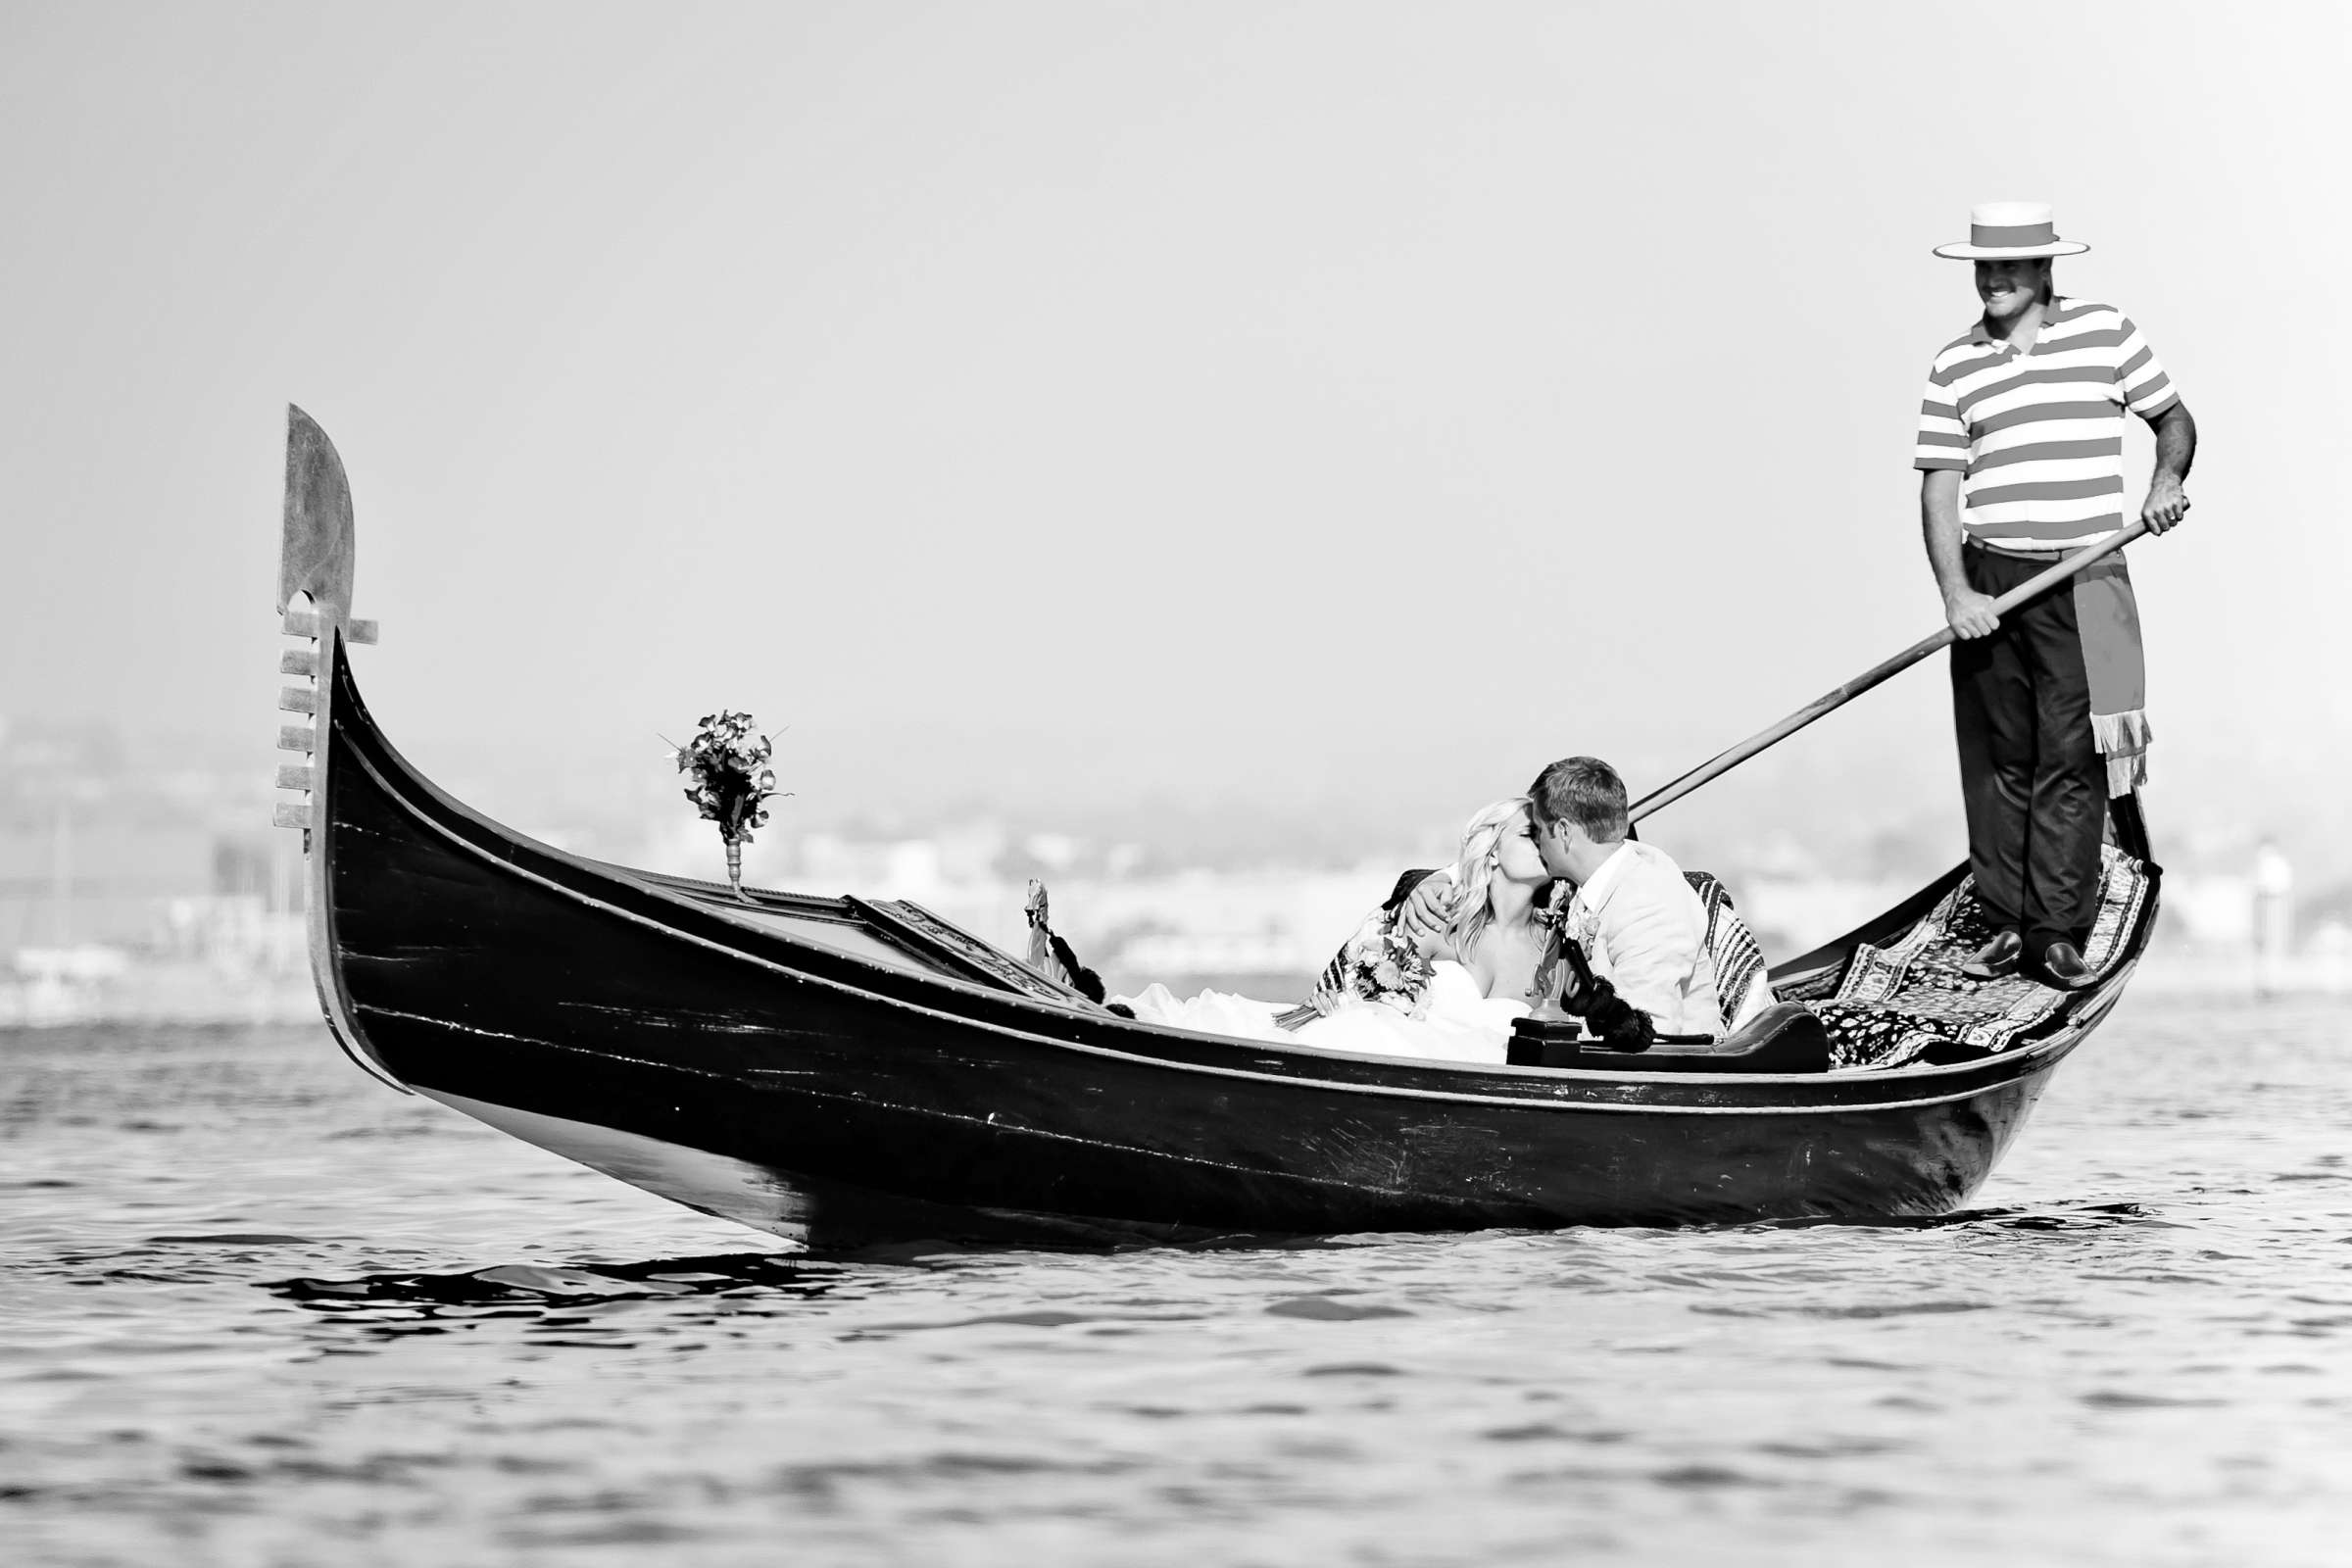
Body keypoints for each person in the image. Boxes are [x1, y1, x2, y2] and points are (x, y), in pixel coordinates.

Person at [1916, 201, 2196, 987]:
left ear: (2045, 270)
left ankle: (2054, 931)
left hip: (2085, 572)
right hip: (1992, 577)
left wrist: (2165, 481)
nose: (1994, 279)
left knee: (2069, 757)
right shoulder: (1954, 363)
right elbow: (1941, 488)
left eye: (2009, 266)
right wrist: (1956, 593)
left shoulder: (2106, 331)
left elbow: (2173, 420)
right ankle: (2004, 921)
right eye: (1984, 266)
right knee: (1997, 755)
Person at [1115, 798, 1555, 1062]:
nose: (1543, 844)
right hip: (1391, 1067)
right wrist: (1340, 1001)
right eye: (1529, 834)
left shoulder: (1556, 944)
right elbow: (1365, 983)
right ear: (1492, 851)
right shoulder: (1436, 916)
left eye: (1548, 836)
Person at [1397, 756, 1727, 1039]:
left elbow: (1646, 1044)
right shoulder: (1589, 879)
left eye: (1538, 831)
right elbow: (1496, 865)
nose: (1538, 844)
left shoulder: (1648, 906)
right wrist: (1444, 878)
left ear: (1565, 832)